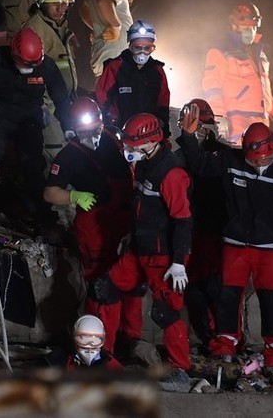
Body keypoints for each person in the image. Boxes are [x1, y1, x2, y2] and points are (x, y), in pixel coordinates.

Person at [177, 109, 273, 369]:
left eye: (262, 160)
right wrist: (188, 136)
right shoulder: (232, 160)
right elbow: (201, 164)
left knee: (272, 300)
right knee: (228, 296)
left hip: (270, 249)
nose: (258, 164)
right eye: (253, 160)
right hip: (235, 244)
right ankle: (225, 345)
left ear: (272, 149)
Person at [95, 112, 192, 393]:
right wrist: (130, 234)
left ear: (150, 142)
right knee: (107, 287)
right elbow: (142, 207)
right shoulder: (146, 164)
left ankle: (181, 372)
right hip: (140, 247)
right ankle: (107, 356)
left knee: (166, 312)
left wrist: (178, 262)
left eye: (132, 145)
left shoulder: (171, 173)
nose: (128, 150)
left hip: (162, 255)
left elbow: (183, 220)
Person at [43, 98, 142, 354]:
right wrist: (73, 197)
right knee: (102, 285)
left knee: (131, 279)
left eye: (95, 129)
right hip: (94, 226)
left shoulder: (110, 138)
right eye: (86, 132)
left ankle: (129, 339)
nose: (93, 135)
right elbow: (50, 193)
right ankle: (99, 347)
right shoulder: (69, 156)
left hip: (122, 219)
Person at [0, 27, 69, 215]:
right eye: (25, 64)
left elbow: (61, 99)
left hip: (29, 116)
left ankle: (39, 206)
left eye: (34, 65)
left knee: (32, 161)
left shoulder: (46, 66)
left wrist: (69, 126)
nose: (29, 69)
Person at [174, 99, 227, 354]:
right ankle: (209, 337)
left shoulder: (222, 155)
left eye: (204, 124)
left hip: (215, 232)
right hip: (189, 232)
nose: (202, 129)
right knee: (193, 288)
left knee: (216, 287)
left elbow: (204, 169)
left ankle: (223, 338)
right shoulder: (177, 157)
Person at [201, 2, 273, 144]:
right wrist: (219, 118)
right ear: (234, 26)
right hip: (236, 126)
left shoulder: (259, 54)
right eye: (245, 27)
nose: (249, 31)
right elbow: (212, 88)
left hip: (261, 126)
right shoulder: (220, 51)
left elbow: (263, 90)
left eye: (253, 27)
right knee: (237, 164)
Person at [23, 0, 78, 160]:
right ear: (41, 3)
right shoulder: (35, 31)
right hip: (48, 107)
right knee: (57, 155)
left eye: (66, 2)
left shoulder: (59, 26)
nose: (62, 8)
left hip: (64, 104)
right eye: (55, 2)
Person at [95, 20, 170, 135]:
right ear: (130, 46)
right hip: (120, 130)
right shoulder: (115, 67)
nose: (142, 52)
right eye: (137, 47)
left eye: (147, 48)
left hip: (148, 132)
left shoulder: (157, 70)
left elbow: (163, 103)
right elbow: (102, 98)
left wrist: (163, 130)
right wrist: (109, 126)